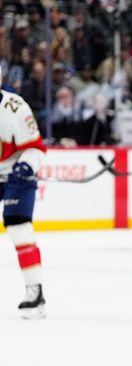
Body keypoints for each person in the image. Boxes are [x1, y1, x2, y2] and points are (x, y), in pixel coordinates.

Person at [0, 78, 47, 318]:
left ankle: (35, 293)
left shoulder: (15, 107)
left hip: (16, 175)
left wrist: (26, 167)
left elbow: (36, 148)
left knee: (19, 228)